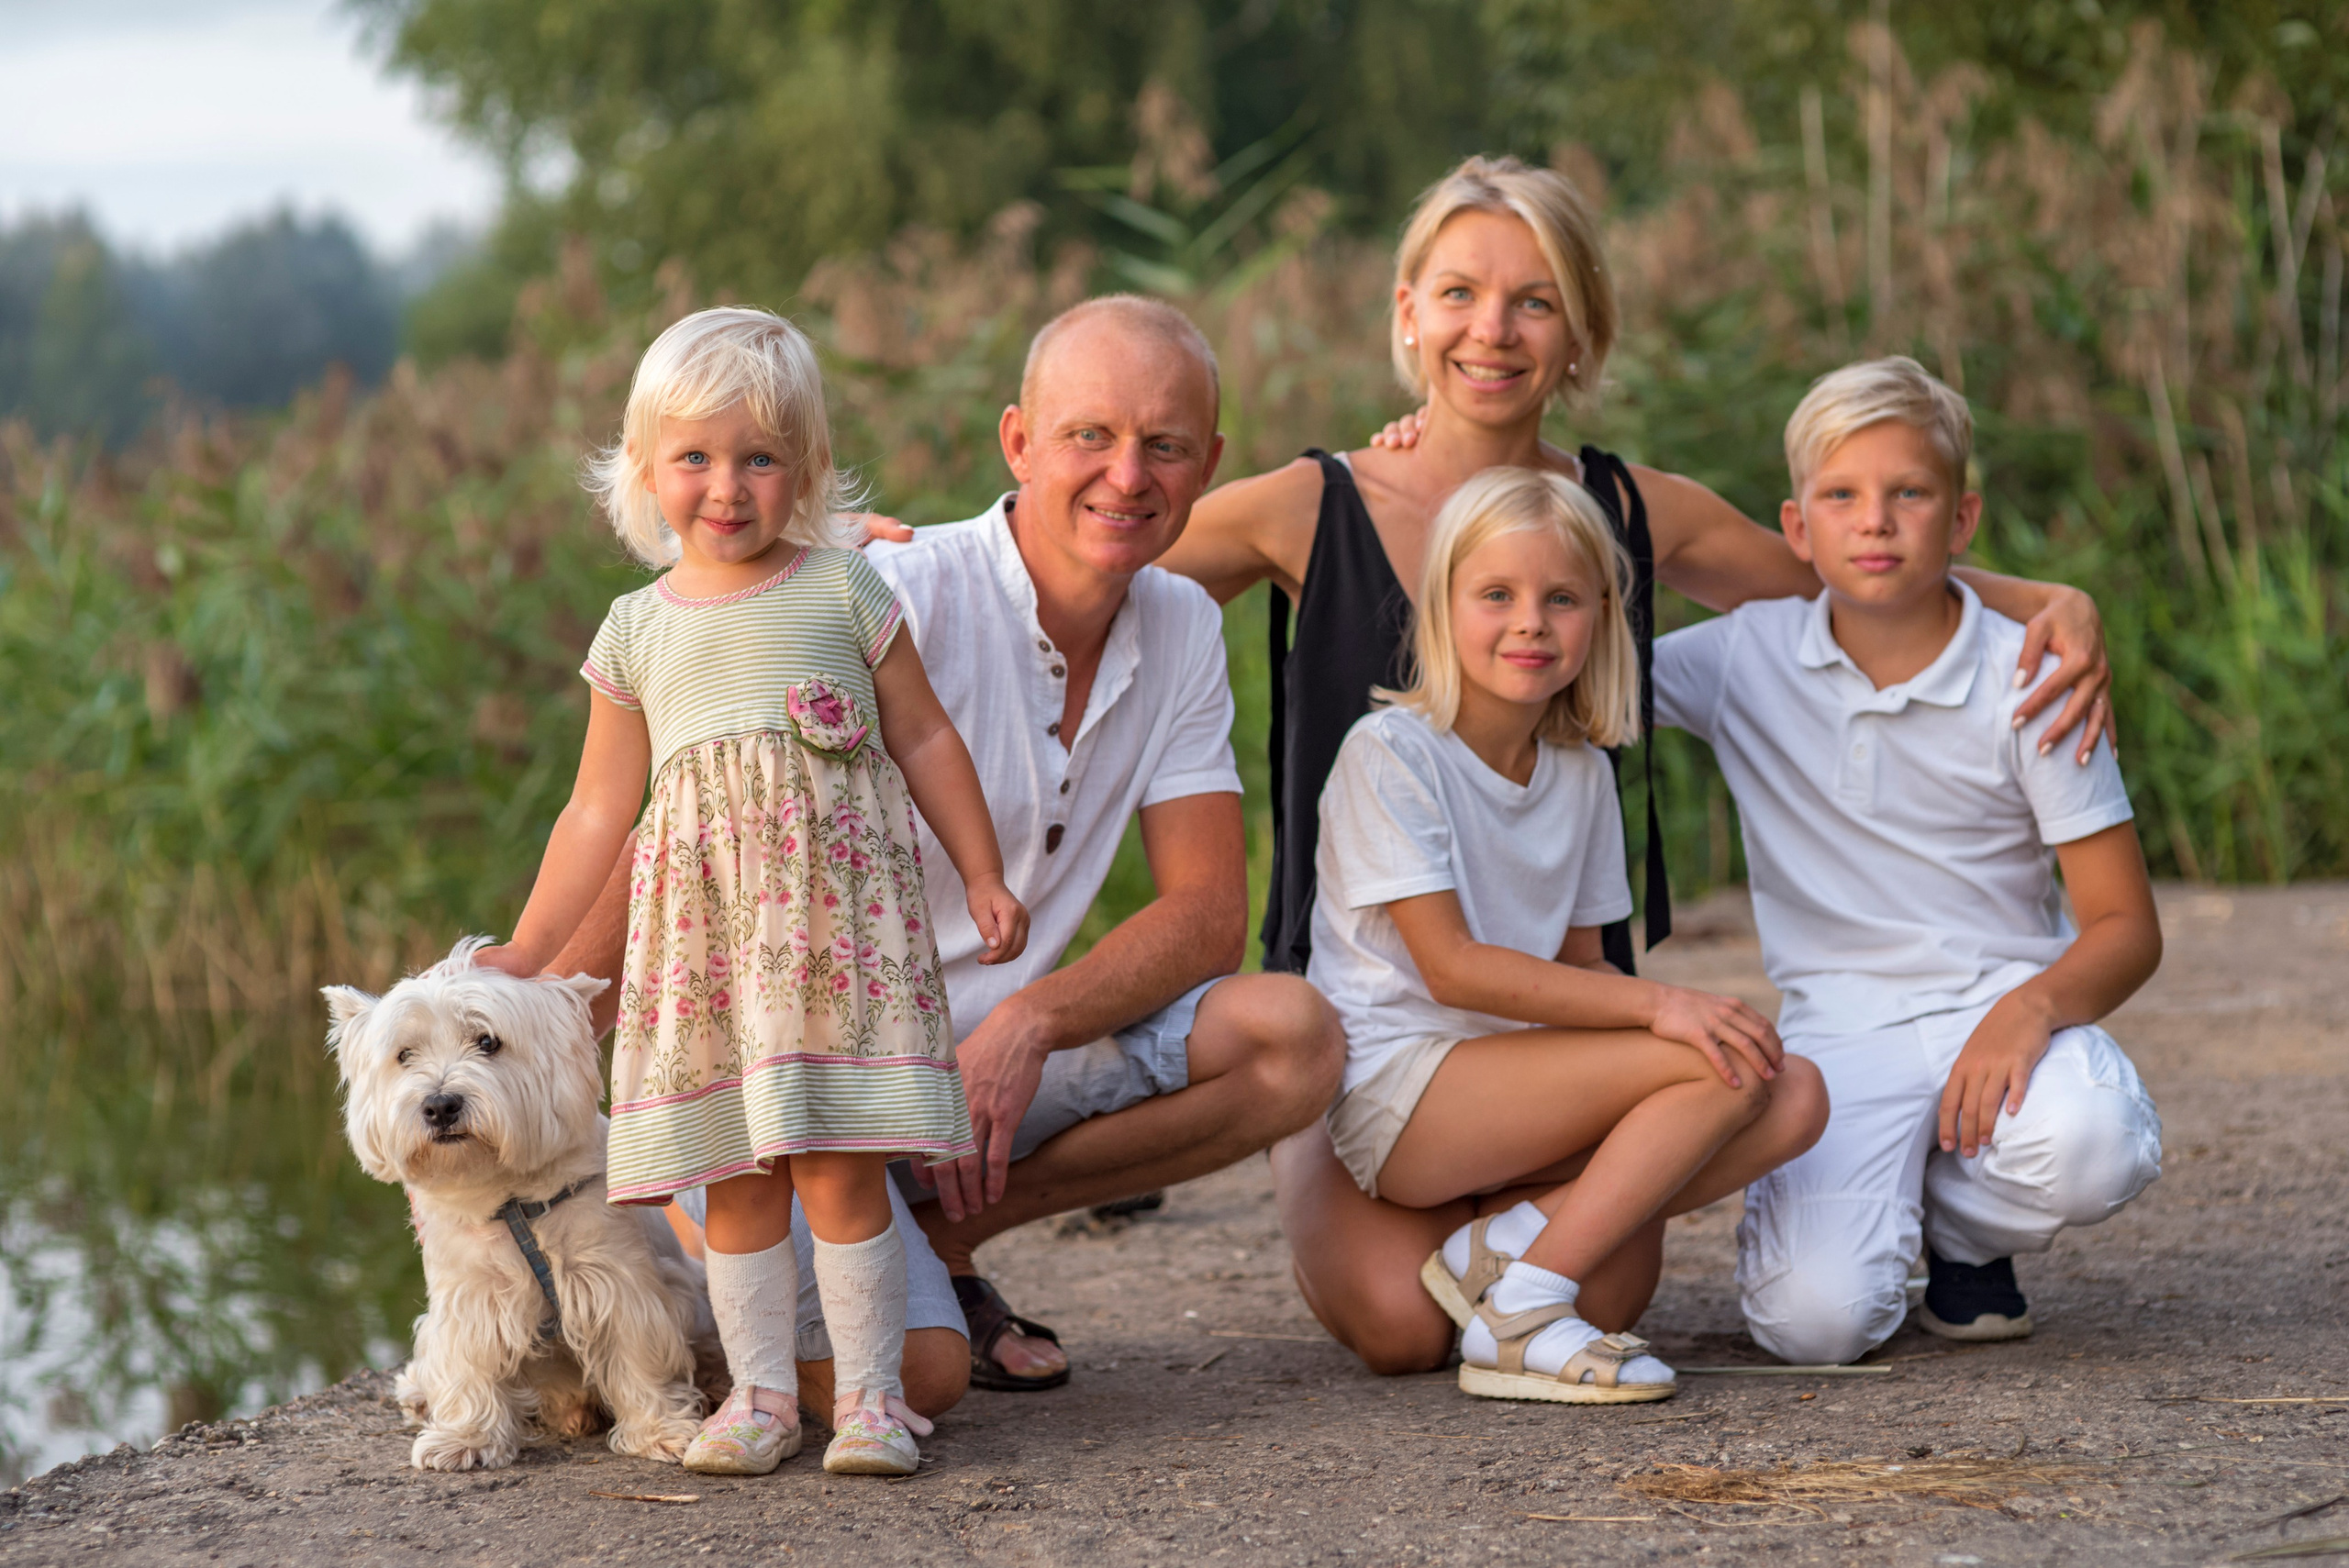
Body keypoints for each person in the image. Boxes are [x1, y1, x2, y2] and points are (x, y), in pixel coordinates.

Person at [1152, 152, 2121, 1374]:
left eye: (1535, 299)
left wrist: (2046, 598)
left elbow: (1861, 574)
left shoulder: (1624, 509)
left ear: (1580, 335)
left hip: (1561, 1016)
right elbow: (1077, 569)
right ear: (1406, 314)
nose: (1491, 331)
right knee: (1403, 1329)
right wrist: (879, 554)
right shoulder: (1307, 505)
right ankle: (1448, 1224)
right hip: (1375, 1026)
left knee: (1602, 1276)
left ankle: (1828, 1212)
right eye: (1456, 294)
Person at [563, 294, 1345, 1396]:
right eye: (1090, 435)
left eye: (1163, 445)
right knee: (918, 1380)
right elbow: (680, 821)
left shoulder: (1182, 626)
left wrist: (1030, 1020)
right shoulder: (896, 588)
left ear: (1207, 463)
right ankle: (687, 1280)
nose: (1128, 476)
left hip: (977, 1073)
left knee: (1294, 1038)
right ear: (1017, 441)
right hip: (799, 1071)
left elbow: (1211, 914)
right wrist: (542, 1020)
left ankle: (936, 1243)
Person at [478, 306, 1031, 1480]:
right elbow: (595, 810)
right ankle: (765, 1397)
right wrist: (529, 947)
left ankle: (876, 1399)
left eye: (760, 457)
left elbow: (926, 736)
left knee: (836, 1167)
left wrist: (981, 870)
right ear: (644, 472)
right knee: (734, 1177)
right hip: (709, 954)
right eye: (695, 457)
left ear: (808, 471)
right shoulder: (635, 632)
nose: (726, 487)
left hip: (831, 951)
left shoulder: (841, 591)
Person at [1652, 357, 2164, 1364]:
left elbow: (2125, 926)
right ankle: (1886, 1198)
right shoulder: (1740, 657)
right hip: (1843, 1027)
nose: (1874, 520)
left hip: (1998, 1002)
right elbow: (1568, 666)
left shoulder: (2034, 671)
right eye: (1840, 496)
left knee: (2093, 1146)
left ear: (1960, 517)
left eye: (1908, 493)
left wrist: (2027, 1011)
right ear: (1797, 530)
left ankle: (1963, 1232)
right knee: (1817, 1326)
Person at [1312, 466, 1828, 1402]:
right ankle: (1526, 1300)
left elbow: (1580, 969)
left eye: (1560, 598)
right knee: (1717, 1059)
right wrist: (1666, 1004)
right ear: (1443, 605)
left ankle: (1509, 1247)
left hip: (1518, 1088)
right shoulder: (1389, 754)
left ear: (1601, 613)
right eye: (1496, 595)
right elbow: (1454, 967)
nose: (1530, 623)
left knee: (1793, 1094)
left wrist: (1660, 1023)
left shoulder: (1580, 771)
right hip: (1404, 1090)